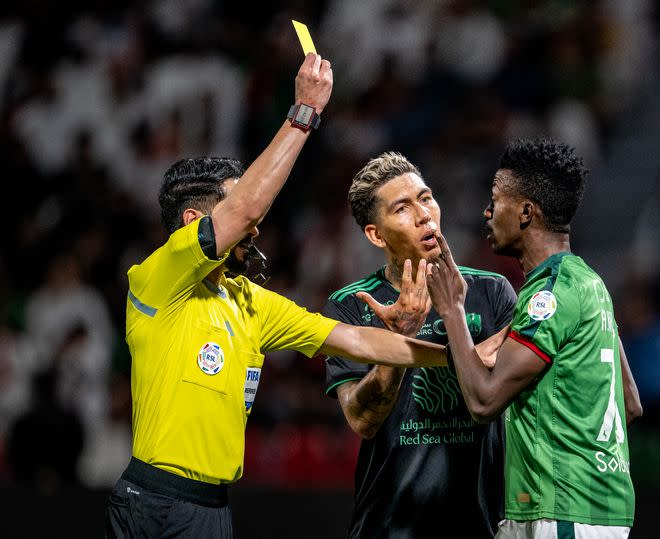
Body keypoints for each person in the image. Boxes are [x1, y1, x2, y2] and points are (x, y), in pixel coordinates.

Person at [105, 54, 455, 539]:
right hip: (154, 502)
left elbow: (358, 343)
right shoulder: (157, 278)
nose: (257, 225)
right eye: (235, 208)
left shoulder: (250, 302)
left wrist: (465, 359)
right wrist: (304, 112)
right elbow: (247, 210)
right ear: (195, 224)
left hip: (212, 509)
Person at [426, 138, 642, 539]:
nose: (487, 212)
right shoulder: (588, 282)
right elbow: (629, 400)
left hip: (562, 509)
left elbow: (484, 400)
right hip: (580, 506)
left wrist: (452, 311)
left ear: (526, 212)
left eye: (495, 200)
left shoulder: (551, 294)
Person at [323, 152, 517, 538]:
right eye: (402, 208)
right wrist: (398, 342)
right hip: (388, 525)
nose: (424, 214)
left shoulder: (492, 292)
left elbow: (515, 383)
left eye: (426, 198)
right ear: (376, 234)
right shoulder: (350, 304)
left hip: (482, 524)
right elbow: (362, 421)